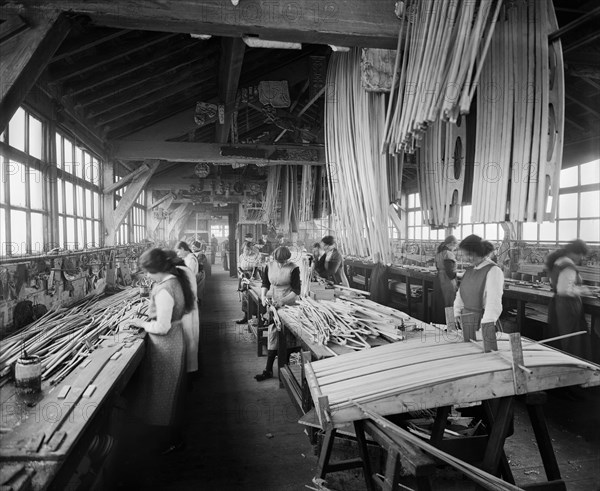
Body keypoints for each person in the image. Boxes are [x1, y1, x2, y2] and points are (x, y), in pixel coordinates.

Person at [120, 248, 195, 455]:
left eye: (146, 272)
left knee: (163, 395)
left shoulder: (164, 289)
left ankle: (170, 441)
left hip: (166, 344)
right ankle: (170, 438)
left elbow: (162, 326)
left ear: (154, 270)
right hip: (173, 341)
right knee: (166, 393)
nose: (146, 276)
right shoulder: (174, 281)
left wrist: (141, 323)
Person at [255, 246, 301, 381]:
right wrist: (263, 296)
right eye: (278, 261)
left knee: (287, 336)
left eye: (283, 261)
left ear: (288, 258)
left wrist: (283, 301)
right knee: (273, 333)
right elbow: (265, 283)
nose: (281, 263)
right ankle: (268, 369)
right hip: (274, 303)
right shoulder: (269, 265)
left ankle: (284, 367)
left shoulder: (294, 268)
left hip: (289, 303)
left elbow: (296, 291)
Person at [545, 239, 591, 359]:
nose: (581, 258)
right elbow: (564, 290)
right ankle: (572, 363)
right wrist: (583, 291)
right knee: (571, 338)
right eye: (581, 255)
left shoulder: (559, 261)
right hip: (567, 306)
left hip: (560, 304)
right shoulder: (568, 266)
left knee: (562, 336)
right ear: (575, 253)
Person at [453, 235, 504, 333]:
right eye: (465, 255)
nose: (467, 258)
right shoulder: (470, 270)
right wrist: (456, 312)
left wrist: (485, 327)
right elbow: (461, 294)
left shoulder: (493, 271)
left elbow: (493, 303)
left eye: (469, 254)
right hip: (466, 321)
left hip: (482, 321)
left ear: (479, 252)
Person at [165, 250, 200, 378]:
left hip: (184, 314)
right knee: (191, 345)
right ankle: (190, 376)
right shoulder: (184, 269)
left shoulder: (177, 273)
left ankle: (186, 380)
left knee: (186, 347)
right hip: (190, 310)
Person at [431, 235, 459, 324]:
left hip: (439, 280)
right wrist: (459, 274)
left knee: (439, 304)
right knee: (449, 304)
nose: (455, 248)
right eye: (455, 245)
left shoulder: (439, 253)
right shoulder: (448, 254)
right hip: (447, 282)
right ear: (451, 244)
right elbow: (450, 273)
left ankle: (439, 324)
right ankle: (449, 326)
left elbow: (438, 268)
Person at [236, 234, 261, 324]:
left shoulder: (256, 256)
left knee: (255, 296)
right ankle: (246, 316)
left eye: (248, 249)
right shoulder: (242, 256)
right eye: (244, 249)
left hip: (253, 276)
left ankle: (258, 317)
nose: (246, 251)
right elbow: (238, 266)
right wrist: (241, 273)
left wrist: (251, 278)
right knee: (245, 297)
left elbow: (256, 268)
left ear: (251, 249)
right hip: (244, 276)